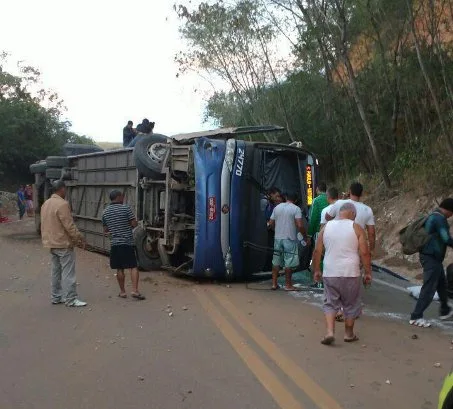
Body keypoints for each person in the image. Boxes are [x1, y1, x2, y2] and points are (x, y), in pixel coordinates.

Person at [313, 202, 372, 345]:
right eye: (355, 215)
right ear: (351, 213)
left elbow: (317, 251)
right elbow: (364, 252)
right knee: (351, 304)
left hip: (330, 272)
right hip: (351, 272)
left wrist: (316, 270)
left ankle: (329, 332)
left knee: (330, 303)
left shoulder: (325, 227)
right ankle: (348, 333)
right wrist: (368, 272)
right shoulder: (356, 228)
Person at [40, 180, 87, 307]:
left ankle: (56, 297)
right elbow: (69, 226)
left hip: (51, 243)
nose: (66, 191)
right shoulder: (62, 204)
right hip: (63, 243)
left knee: (56, 272)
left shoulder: (46, 204)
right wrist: (80, 239)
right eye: (65, 189)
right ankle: (71, 299)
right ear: (61, 189)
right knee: (68, 272)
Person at [409, 198, 453, 327]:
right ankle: (416, 316)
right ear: (449, 210)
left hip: (432, 257)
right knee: (429, 288)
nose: (451, 216)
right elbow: (446, 238)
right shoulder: (440, 219)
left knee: (442, 285)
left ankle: (445, 310)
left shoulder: (433, 215)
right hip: (431, 258)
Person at [102, 190, 145, 300]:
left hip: (115, 244)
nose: (123, 198)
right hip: (127, 243)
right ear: (119, 197)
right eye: (122, 196)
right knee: (133, 267)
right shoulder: (126, 208)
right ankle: (135, 290)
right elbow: (134, 224)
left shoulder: (105, 212)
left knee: (119, 268)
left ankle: (122, 292)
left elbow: (106, 230)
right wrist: (127, 227)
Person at [269, 192, 308, 291]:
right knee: (289, 262)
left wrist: (275, 230)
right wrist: (305, 237)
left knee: (276, 261)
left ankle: (274, 284)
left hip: (278, 238)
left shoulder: (277, 208)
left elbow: (271, 223)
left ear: (286, 198)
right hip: (290, 239)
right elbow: (300, 225)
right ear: (295, 200)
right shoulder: (296, 209)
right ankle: (288, 285)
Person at [325, 182, 375, 257]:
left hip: (337, 247)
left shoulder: (339, 203)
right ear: (361, 194)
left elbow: (327, 217)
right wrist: (371, 250)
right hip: (356, 249)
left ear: (349, 192)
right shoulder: (367, 210)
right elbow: (371, 233)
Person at [262, 187, 283, 271]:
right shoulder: (265, 203)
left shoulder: (273, 205)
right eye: (276, 196)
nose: (277, 198)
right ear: (271, 194)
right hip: (268, 231)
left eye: (279, 197)